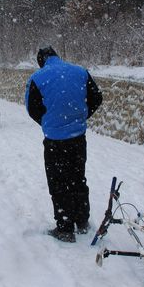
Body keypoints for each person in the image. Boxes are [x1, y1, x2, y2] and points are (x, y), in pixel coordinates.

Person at [25, 46, 102, 243]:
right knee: (78, 177)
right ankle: (82, 220)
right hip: (78, 137)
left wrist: (49, 121)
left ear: (41, 60)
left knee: (58, 183)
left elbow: (32, 107)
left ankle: (65, 228)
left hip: (55, 141)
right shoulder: (80, 71)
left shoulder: (38, 77)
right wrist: (80, 117)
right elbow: (96, 97)